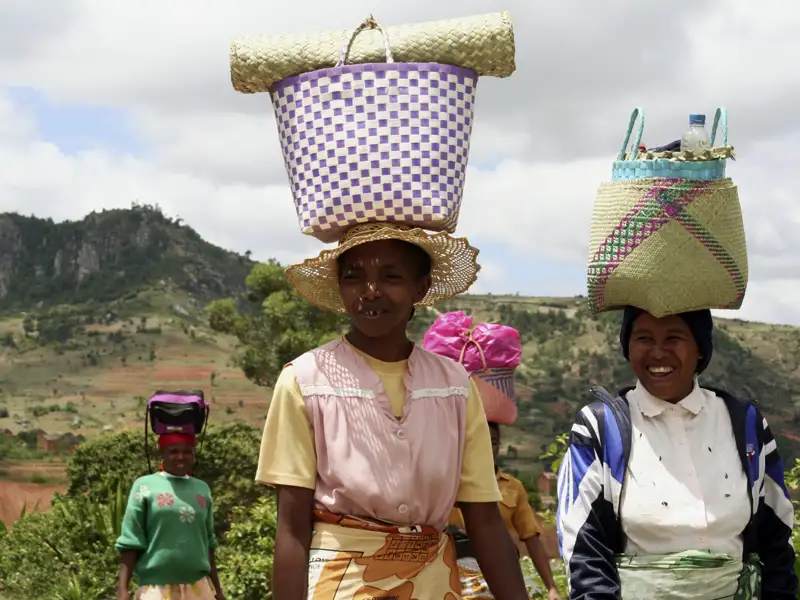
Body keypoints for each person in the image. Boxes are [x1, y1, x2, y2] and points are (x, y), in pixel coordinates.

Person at [256, 222, 530, 600]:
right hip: (340, 588)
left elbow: (484, 520)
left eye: (391, 276)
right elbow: (291, 529)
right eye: (354, 277)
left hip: (434, 588)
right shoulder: (305, 380)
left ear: (421, 287)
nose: (370, 291)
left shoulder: (454, 386)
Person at [556, 307, 797, 599]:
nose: (658, 352)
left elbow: (777, 538)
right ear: (627, 346)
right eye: (644, 338)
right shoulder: (601, 428)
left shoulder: (745, 424)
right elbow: (583, 549)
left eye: (674, 338)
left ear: (700, 348)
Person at [448, 421, 562, 600]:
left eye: (493, 442)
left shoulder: (513, 488)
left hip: (499, 576)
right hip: (455, 574)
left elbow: (531, 538)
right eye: (480, 441)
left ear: (499, 446)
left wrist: (551, 588)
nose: (487, 447)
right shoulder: (448, 484)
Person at [116, 432, 224, 600]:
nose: (180, 457)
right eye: (173, 451)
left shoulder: (202, 489)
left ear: (194, 454)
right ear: (162, 453)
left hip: (199, 588)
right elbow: (131, 539)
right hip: (156, 589)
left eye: (187, 451)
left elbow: (208, 542)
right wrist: (123, 589)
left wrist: (217, 590)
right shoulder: (145, 486)